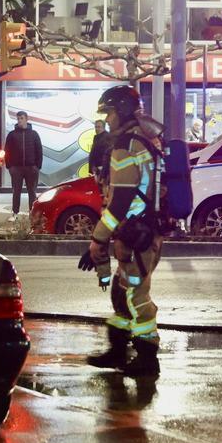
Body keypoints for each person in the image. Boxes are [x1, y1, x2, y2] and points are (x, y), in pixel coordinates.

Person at [85, 85, 165, 378]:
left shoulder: (126, 146)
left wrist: (98, 239)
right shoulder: (147, 138)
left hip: (136, 235)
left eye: (109, 113)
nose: (106, 120)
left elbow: (119, 202)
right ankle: (118, 350)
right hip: (144, 231)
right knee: (123, 292)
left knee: (136, 295)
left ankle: (147, 358)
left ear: (122, 111)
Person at [3, 110, 43, 217]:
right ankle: (15, 213)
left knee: (32, 192)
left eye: (21, 118)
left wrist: (37, 167)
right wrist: (10, 166)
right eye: (18, 118)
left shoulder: (34, 134)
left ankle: (32, 213)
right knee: (16, 191)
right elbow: (7, 150)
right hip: (16, 168)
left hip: (31, 168)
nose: (20, 120)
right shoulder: (12, 135)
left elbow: (39, 150)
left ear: (26, 119)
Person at [88, 119, 112, 186]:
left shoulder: (107, 137)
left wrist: (102, 167)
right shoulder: (96, 137)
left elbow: (107, 154)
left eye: (99, 127)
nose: (96, 129)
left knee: (103, 186)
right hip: (97, 169)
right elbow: (93, 153)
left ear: (103, 127)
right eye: (96, 127)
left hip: (102, 169)